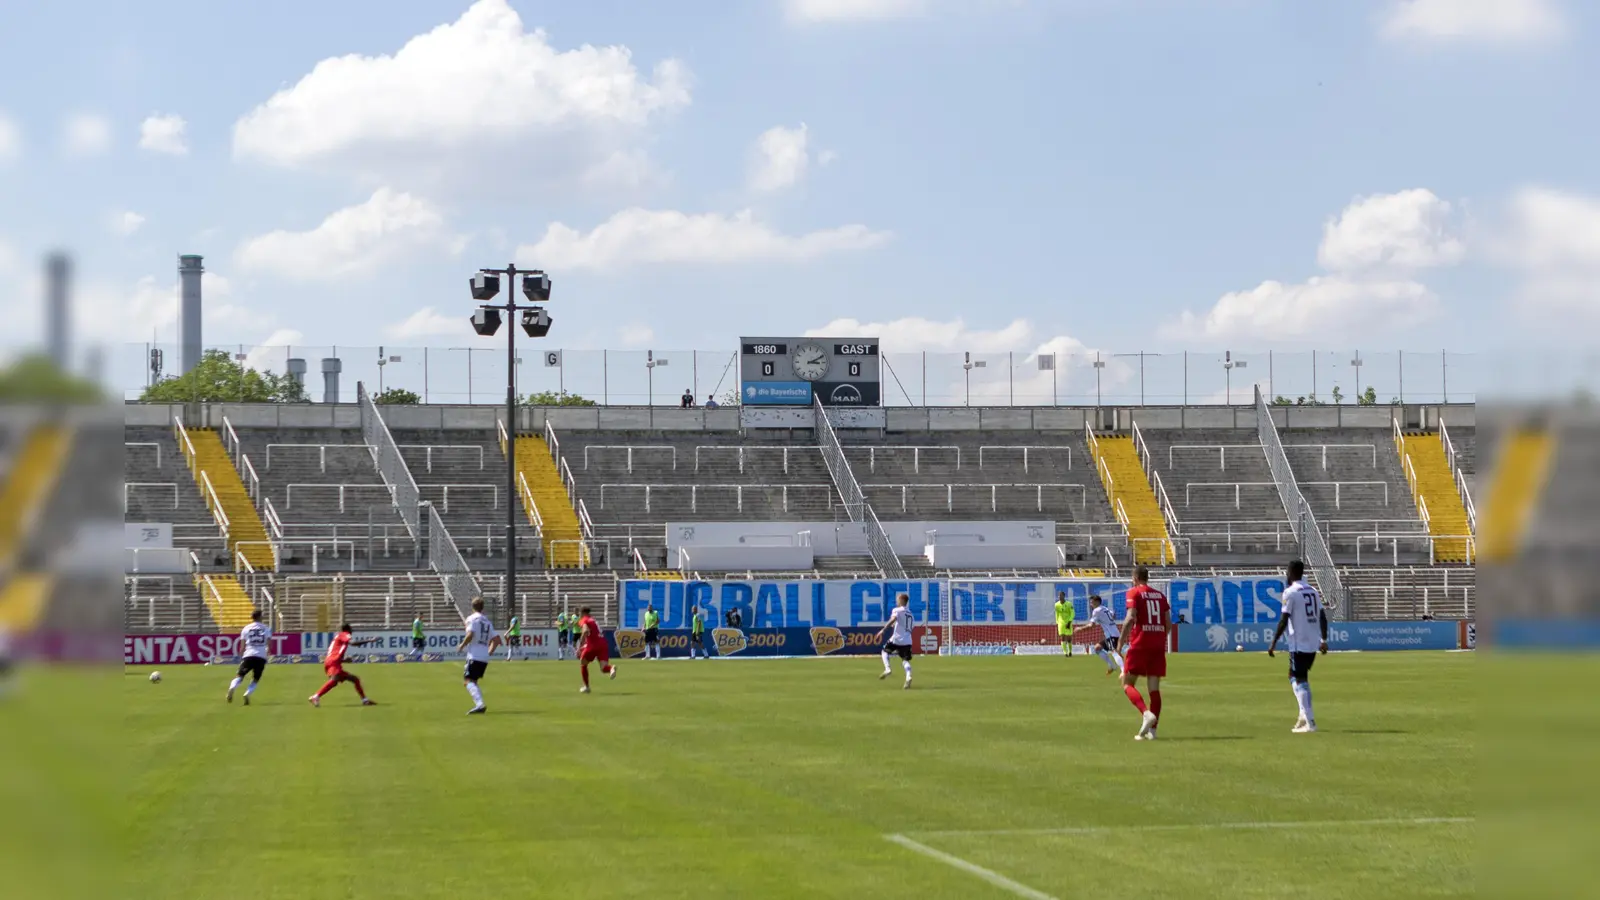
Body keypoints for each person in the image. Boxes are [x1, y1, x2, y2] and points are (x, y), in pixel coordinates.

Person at [1267, 560, 1329, 734]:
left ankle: (1310, 721)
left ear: (1292, 573)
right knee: (1296, 676)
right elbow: (1323, 617)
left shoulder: (1290, 592)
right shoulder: (1313, 591)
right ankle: (1303, 714)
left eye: (1287, 572)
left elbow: (1284, 619)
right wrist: (1323, 639)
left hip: (1298, 642)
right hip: (1312, 642)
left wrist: (1273, 642)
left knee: (1299, 679)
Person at [1117, 567, 1169, 740]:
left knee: (1127, 683)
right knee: (1154, 689)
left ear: (1136, 577)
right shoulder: (1160, 596)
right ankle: (1152, 732)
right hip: (1158, 645)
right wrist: (1159, 637)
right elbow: (1168, 623)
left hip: (1140, 644)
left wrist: (1121, 641)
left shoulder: (1134, 593)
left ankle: (1146, 713)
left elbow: (1131, 617)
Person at [309, 623, 379, 707]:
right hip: (333, 662)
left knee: (355, 679)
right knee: (334, 679)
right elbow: (353, 643)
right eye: (351, 629)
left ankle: (365, 700)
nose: (352, 631)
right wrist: (370, 640)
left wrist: (344, 659)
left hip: (332, 661)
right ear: (348, 629)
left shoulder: (338, 636)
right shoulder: (344, 634)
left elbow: (334, 652)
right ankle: (316, 696)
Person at [459, 598, 501, 715]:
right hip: (484, 656)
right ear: (482, 607)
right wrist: (488, 653)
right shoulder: (487, 621)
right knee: (474, 681)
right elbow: (497, 640)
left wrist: (462, 645)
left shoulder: (471, 619)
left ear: (472, 607)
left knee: (468, 681)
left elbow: (470, 634)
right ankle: (479, 704)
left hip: (474, 655)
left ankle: (480, 705)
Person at [227, 609, 271, 705]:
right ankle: (247, 693)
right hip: (261, 656)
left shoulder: (246, 628)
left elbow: (242, 646)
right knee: (255, 678)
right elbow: (269, 644)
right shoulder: (266, 628)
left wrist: (241, 654)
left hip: (248, 655)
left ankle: (232, 687)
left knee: (240, 675)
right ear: (259, 617)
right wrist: (268, 652)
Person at [876, 593, 915, 688]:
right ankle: (908, 676)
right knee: (905, 660)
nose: (896, 601)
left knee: (884, 651)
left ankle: (887, 669)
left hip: (896, 639)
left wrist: (883, 630)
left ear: (901, 600)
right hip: (908, 640)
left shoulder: (897, 610)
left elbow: (893, 619)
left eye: (898, 599)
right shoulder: (910, 614)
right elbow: (910, 627)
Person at [576, 606, 617, 693]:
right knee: (603, 668)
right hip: (603, 644)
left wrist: (580, 646)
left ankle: (587, 687)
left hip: (593, 645)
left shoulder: (584, 619)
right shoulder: (593, 620)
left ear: (582, 613)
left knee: (583, 662)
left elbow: (585, 631)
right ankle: (611, 668)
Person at [1087, 595, 1124, 676]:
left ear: (1097, 602)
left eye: (1091, 602)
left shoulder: (1096, 610)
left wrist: (1080, 629)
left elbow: (1091, 625)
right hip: (1114, 633)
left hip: (1111, 635)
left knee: (1114, 652)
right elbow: (1113, 615)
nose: (1090, 604)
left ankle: (1124, 670)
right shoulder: (1105, 608)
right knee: (1097, 648)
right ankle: (1112, 665)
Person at [1054, 591, 1075, 657]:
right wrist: (1057, 622)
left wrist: (1069, 621)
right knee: (1062, 637)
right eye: (1059, 596)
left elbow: (1072, 613)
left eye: (1061, 595)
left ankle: (1070, 651)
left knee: (1069, 638)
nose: (1060, 597)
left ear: (1064, 596)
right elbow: (1057, 613)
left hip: (1068, 622)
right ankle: (1065, 652)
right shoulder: (1056, 605)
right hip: (1061, 623)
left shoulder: (1069, 604)